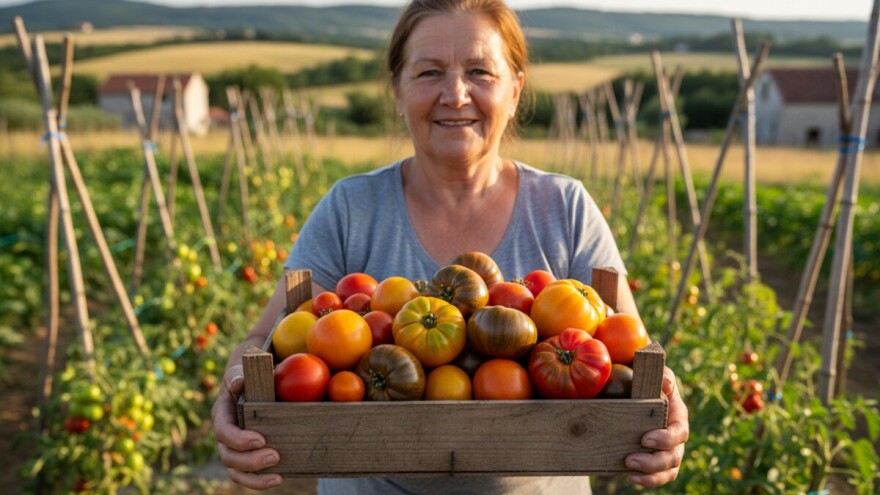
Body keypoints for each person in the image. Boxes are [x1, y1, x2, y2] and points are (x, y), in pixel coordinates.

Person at [212, 0, 689, 492]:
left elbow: (636, 353)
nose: (455, 95)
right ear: (397, 89)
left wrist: (670, 406)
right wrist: (232, 393)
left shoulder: (564, 206)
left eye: (480, 71)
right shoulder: (351, 207)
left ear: (515, 88)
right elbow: (261, 345)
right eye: (429, 72)